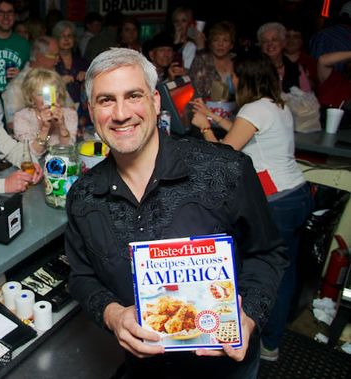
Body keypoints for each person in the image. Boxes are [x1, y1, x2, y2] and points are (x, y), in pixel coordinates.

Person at [65, 48, 287, 379]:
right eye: (106, 100)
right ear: (92, 111)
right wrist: (113, 315)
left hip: (225, 366)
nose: (121, 113)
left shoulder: (225, 170)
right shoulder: (84, 197)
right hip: (144, 368)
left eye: (133, 95)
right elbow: (81, 278)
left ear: (155, 102)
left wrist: (249, 315)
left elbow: (268, 253)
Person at [192, 52, 313, 362]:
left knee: (272, 273)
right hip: (297, 194)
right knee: (288, 269)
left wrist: (204, 127)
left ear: (245, 78)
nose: (231, 80)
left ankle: (267, 345)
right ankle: (274, 336)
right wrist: (215, 116)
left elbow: (225, 155)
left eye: (235, 76)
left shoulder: (255, 108)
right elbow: (245, 131)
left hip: (279, 203)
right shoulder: (275, 104)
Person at [2, 36, 65, 130]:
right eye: (55, 55)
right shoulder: (16, 86)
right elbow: (12, 126)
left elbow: (70, 108)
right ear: (39, 57)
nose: (58, 59)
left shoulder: (54, 79)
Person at [13, 68, 77, 157]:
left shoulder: (69, 114)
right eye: (40, 94)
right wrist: (45, 128)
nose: (48, 99)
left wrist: (62, 125)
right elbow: (31, 155)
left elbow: (68, 151)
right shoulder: (22, 117)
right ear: (30, 97)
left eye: (53, 93)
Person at [257, 22, 311, 93]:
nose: (269, 44)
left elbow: (308, 98)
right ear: (261, 46)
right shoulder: (255, 69)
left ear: (283, 43)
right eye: (265, 41)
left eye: (274, 39)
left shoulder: (296, 69)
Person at [189, 21, 236, 100]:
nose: (220, 44)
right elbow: (195, 91)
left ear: (231, 45)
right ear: (210, 44)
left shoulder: (238, 62)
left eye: (225, 40)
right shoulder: (201, 60)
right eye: (216, 40)